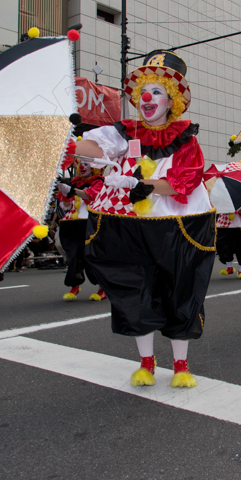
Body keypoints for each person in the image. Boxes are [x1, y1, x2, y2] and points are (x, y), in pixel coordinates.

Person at [73, 50, 214, 388]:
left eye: (157, 91)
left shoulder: (185, 140)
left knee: (179, 289)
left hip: (176, 224)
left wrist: (144, 185)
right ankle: (146, 363)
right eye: (144, 92)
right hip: (128, 223)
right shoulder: (126, 132)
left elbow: (183, 182)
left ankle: (181, 365)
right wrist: (67, 143)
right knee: (137, 290)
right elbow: (96, 149)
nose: (148, 98)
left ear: (172, 100)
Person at [56, 161, 106, 300]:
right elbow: (65, 206)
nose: (82, 167)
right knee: (73, 256)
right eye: (80, 164)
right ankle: (74, 286)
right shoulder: (74, 182)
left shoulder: (99, 181)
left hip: (89, 223)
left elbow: (91, 196)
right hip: (71, 223)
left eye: (86, 163)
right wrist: (65, 194)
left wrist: (72, 191)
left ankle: (102, 288)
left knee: (92, 256)